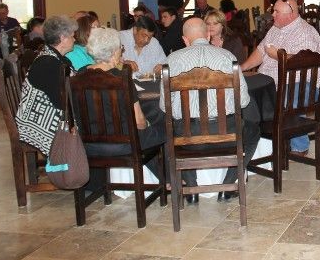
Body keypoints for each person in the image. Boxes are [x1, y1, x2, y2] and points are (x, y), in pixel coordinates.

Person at [165, 17, 260, 201]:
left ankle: (191, 188)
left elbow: (165, 107)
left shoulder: (171, 60)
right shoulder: (228, 57)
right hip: (227, 134)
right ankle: (229, 185)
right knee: (253, 132)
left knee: (169, 134)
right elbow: (243, 101)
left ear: (185, 39)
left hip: (187, 136)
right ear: (208, 35)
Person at [240, 0, 320, 154]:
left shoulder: (305, 32)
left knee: (287, 97)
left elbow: (305, 61)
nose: (273, 14)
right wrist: (242, 67)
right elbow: (260, 51)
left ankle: (299, 145)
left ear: (291, 15)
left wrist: (278, 55)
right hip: (271, 81)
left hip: (301, 84)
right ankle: (259, 145)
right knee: (244, 92)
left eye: (277, 12)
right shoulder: (275, 29)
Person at [84, 27, 165, 181]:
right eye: (121, 48)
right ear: (114, 52)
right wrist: (149, 124)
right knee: (164, 128)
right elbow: (140, 123)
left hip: (89, 145)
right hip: (123, 144)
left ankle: (159, 179)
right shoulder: (121, 78)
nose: (122, 52)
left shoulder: (77, 76)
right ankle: (167, 179)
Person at [19, 15, 77, 149]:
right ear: (63, 38)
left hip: (54, 117)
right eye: (72, 36)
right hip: (40, 127)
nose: (74, 39)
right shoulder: (48, 64)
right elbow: (62, 101)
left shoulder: (55, 57)